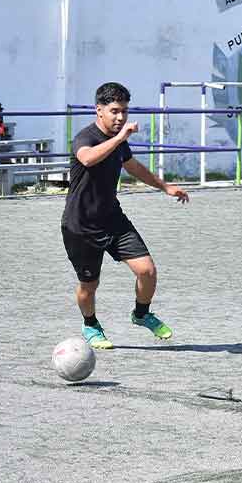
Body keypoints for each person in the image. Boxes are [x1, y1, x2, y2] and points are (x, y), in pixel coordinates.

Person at [62, 82, 188, 350]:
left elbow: (134, 167)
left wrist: (165, 186)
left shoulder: (120, 143)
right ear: (99, 110)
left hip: (113, 219)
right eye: (115, 111)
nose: (121, 117)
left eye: (125, 112)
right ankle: (91, 324)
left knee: (147, 270)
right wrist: (119, 138)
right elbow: (87, 159)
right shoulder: (86, 137)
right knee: (89, 285)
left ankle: (141, 314)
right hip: (81, 225)